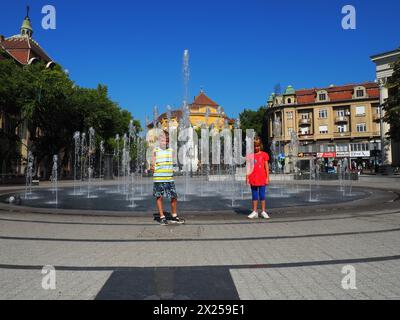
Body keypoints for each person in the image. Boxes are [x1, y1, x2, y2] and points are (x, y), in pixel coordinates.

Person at [152, 130, 185, 226]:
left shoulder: (171, 150)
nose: (164, 142)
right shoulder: (155, 151)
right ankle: (162, 217)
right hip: (159, 178)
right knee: (159, 197)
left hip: (169, 178)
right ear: (159, 140)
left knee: (174, 197)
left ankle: (174, 216)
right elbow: (153, 163)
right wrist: (153, 168)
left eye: (166, 140)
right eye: (162, 140)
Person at [246, 137, 270, 219]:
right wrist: (247, 177)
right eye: (255, 146)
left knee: (262, 195)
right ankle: (254, 211)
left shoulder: (264, 155)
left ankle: (263, 211)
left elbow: (266, 167)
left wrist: (267, 177)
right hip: (253, 178)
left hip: (262, 178)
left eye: (258, 146)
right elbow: (248, 167)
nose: (256, 148)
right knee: (254, 195)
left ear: (260, 145)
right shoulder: (250, 156)